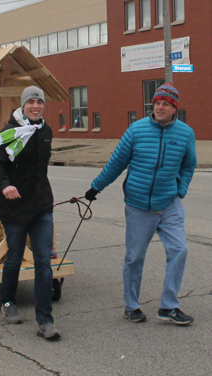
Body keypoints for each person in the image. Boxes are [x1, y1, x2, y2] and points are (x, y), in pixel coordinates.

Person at [85, 83, 197, 325]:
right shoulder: (136, 131)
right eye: (157, 103)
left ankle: (169, 306)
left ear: (174, 108)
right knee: (134, 257)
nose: (159, 107)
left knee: (180, 249)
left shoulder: (186, 133)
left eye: (165, 104)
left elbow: (189, 165)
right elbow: (116, 163)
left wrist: (181, 189)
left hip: (169, 202)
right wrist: (96, 187)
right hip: (138, 204)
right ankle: (131, 306)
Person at [0, 86, 60, 340]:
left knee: (43, 262)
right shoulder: (11, 132)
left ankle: (45, 321)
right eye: (31, 102)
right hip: (14, 207)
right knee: (15, 257)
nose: (36, 106)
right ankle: (7, 302)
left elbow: (40, 170)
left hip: (40, 207)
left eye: (40, 101)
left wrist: (45, 197)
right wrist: (5, 185)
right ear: (23, 105)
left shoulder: (45, 131)